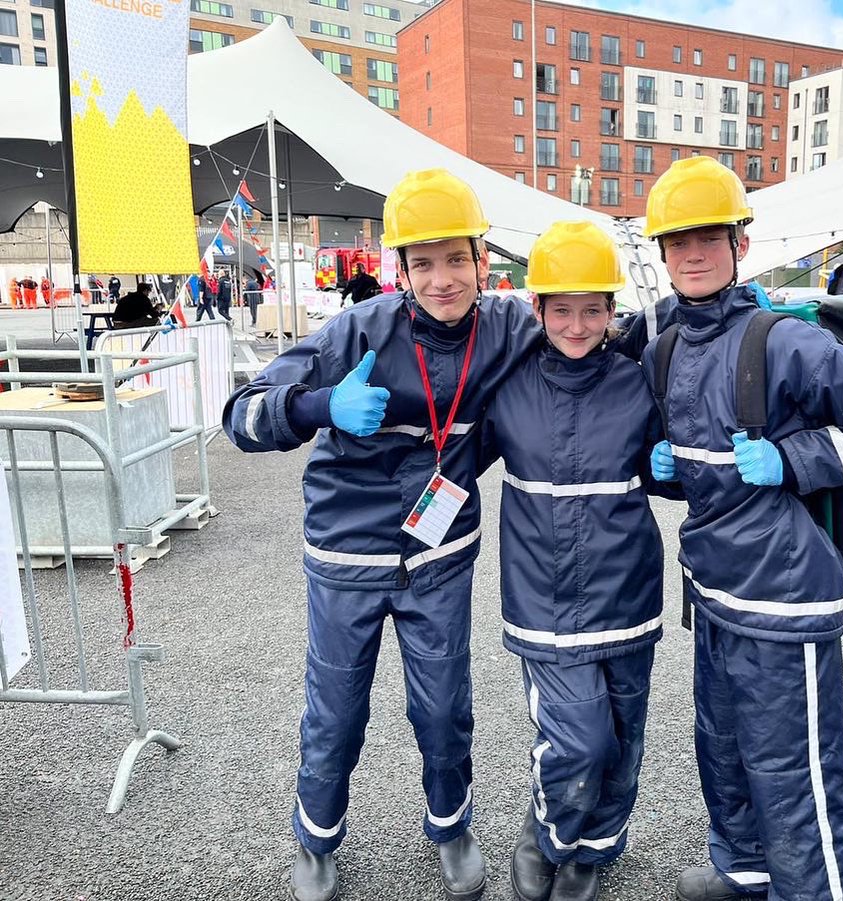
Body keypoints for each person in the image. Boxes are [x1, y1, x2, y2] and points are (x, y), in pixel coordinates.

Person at [223, 169, 542, 901]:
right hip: (347, 554)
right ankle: (316, 836)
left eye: (455, 259)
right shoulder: (354, 331)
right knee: (336, 708)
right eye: (422, 263)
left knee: (444, 706)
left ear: (481, 259)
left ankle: (451, 824)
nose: (441, 279)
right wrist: (317, 406)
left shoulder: (509, 327)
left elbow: (585, 336)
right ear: (399, 270)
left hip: (440, 552)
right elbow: (240, 414)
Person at [639, 157, 843, 901]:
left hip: (786, 603)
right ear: (662, 253)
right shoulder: (664, 348)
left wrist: (792, 458)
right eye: (677, 241)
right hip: (715, 592)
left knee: (792, 771)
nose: (693, 253)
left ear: (739, 246)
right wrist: (661, 468)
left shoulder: (782, 341)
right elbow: (694, 473)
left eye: (709, 237)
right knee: (723, 751)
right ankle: (745, 872)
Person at [479, 221, 677, 901]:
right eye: (560, 308)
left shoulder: (636, 381)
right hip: (543, 598)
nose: (577, 322)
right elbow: (448, 461)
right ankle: (545, 835)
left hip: (627, 590)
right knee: (578, 742)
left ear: (611, 311)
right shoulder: (506, 388)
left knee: (623, 739)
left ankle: (596, 848)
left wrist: (669, 469)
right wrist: (404, 526)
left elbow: (667, 476)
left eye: (592, 308)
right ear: (536, 309)